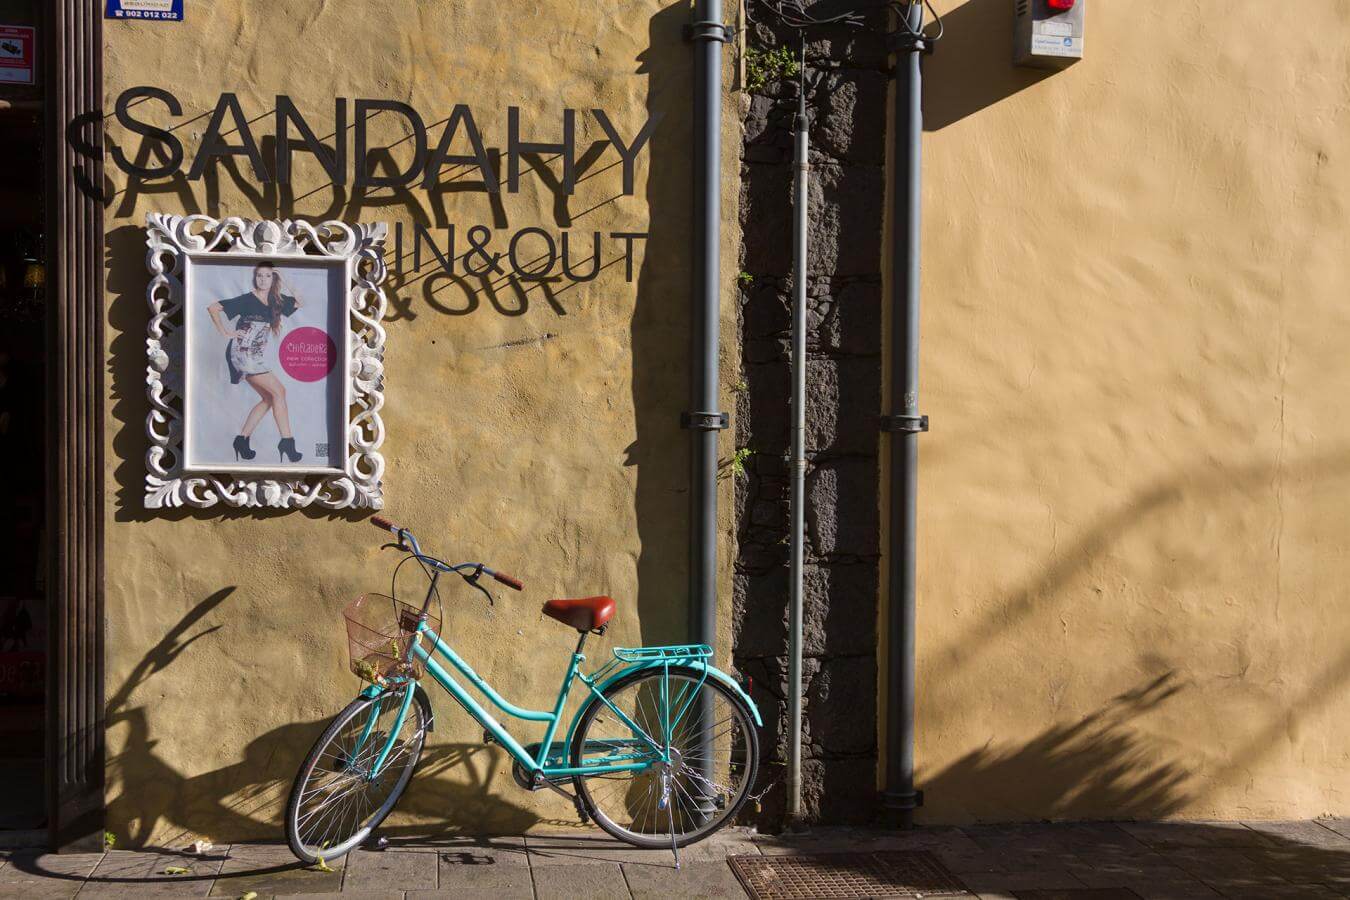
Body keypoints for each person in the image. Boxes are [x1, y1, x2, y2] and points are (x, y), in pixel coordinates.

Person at [207, 262, 306, 463]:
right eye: (259, 276)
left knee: (270, 398)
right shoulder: (246, 299)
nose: (263, 279)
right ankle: (287, 442)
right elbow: (213, 308)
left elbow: (299, 302)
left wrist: (282, 277)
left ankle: (242, 439)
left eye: (268, 276)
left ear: (273, 279)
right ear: (255, 278)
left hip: (255, 354)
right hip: (242, 351)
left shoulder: (276, 301)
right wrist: (226, 332)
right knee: (280, 392)